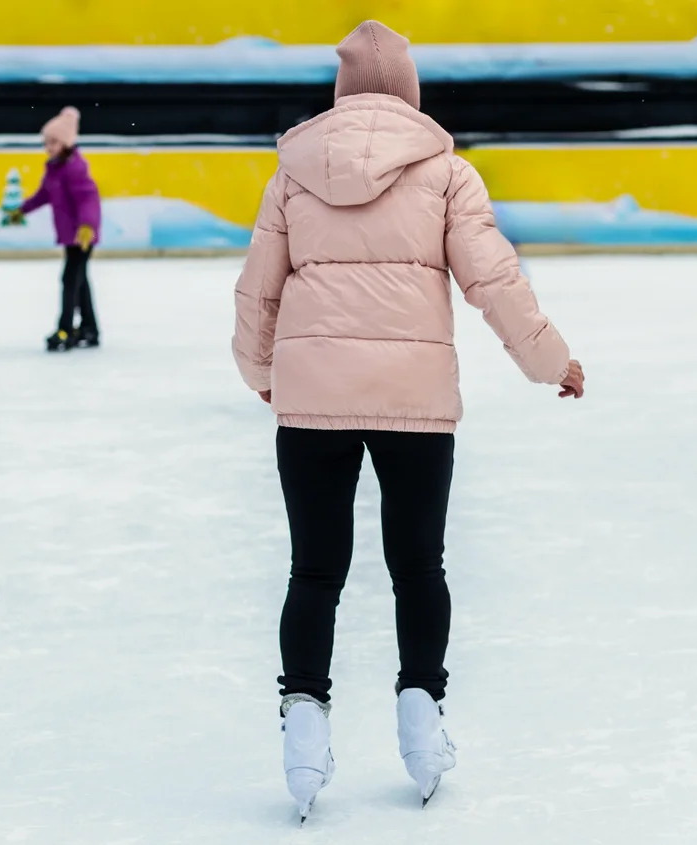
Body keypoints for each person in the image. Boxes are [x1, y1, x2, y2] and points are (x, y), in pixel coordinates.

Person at [232, 21, 586, 817]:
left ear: (342, 93)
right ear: (410, 93)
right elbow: (494, 279)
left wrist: (262, 373)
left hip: (313, 397)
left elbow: (258, 288)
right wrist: (548, 359)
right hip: (413, 399)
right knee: (417, 567)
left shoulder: (292, 173)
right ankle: (422, 721)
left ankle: (304, 726)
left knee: (314, 571)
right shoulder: (447, 172)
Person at [10, 107, 103, 351]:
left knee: (70, 280)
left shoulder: (75, 168)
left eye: (53, 142)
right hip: (70, 236)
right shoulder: (54, 167)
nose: (48, 146)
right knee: (78, 280)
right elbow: (44, 195)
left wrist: (87, 226)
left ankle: (65, 329)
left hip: (82, 236)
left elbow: (88, 198)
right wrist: (23, 210)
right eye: (46, 142)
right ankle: (89, 328)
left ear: (66, 143)